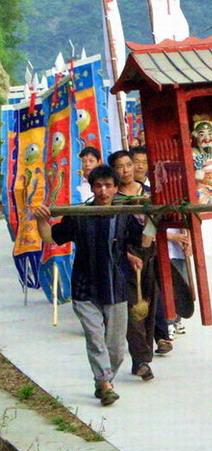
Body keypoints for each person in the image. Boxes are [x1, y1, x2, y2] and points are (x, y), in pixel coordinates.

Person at [33, 166, 144, 405]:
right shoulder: (79, 214)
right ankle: (105, 384)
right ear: (92, 188)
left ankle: (103, 380)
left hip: (117, 287)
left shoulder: (126, 214)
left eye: (108, 186)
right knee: (95, 338)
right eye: (98, 186)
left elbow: (143, 240)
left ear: (116, 188)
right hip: (85, 288)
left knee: (115, 347)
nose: (103, 191)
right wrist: (42, 220)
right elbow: (50, 237)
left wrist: (153, 220)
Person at [109, 150, 157, 381]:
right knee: (132, 307)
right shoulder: (112, 198)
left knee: (149, 305)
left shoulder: (149, 192)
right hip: (125, 257)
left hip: (151, 252)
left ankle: (144, 356)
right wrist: (127, 253)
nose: (126, 170)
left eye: (129, 164)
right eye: (120, 166)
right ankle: (141, 360)